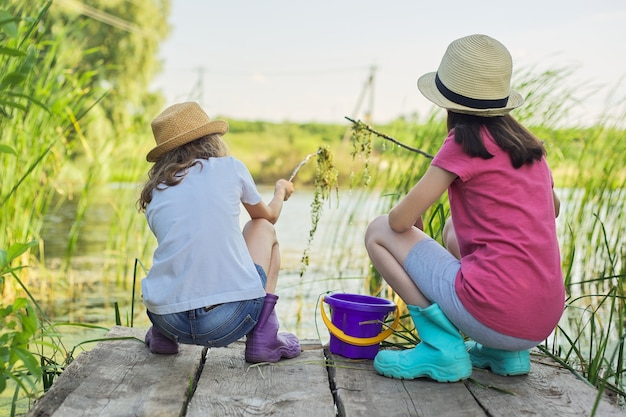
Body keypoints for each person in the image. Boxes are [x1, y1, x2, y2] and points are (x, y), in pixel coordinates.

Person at [364, 34, 564, 382]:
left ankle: (441, 347)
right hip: (541, 321)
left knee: (377, 231)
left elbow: (398, 222)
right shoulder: (529, 147)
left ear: (448, 101)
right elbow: (553, 208)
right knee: (454, 230)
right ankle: (506, 354)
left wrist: (412, 218)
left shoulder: (462, 143)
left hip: (496, 315)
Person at [137, 101, 301, 363]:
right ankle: (264, 337)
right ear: (210, 139)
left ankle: (161, 336)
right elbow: (269, 216)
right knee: (261, 228)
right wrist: (281, 191)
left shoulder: (157, 190)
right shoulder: (231, 168)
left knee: (177, 251)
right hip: (226, 323)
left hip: (167, 320)